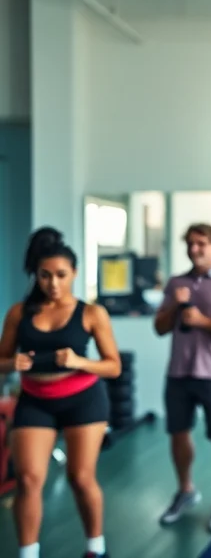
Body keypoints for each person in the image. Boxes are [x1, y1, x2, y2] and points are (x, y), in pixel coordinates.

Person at [0, 227, 122, 558]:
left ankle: (95, 549)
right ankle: (28, 553)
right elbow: (1, 362)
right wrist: (13, 362)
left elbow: (113, 366)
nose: (52, 283)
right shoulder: (18, 313)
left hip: (83, 400)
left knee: (81, 478)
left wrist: (80, 361)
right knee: (27, 479)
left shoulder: (91, 313)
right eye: (45, 275)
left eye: (60, 275)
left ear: (75, 273)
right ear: (36, 275)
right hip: (36, 400)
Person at [153, 223, 211, 533]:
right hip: (178, 372)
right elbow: (160, 327)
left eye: (201, 243)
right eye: (190, 243)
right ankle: (185, 490)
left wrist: (202, 321)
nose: (195, 249)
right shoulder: (176, 283)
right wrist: (175, 304)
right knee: (178, 433)